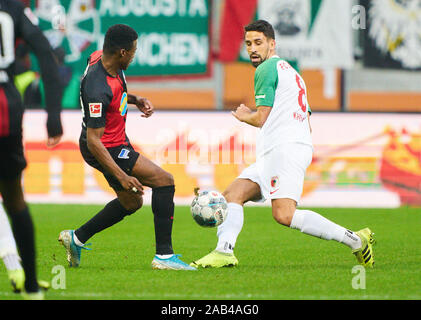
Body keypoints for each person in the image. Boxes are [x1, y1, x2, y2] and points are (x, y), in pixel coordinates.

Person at [191, 20, 375, 269]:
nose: (253, 49)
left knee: (284, 214)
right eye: (248, 44)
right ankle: (224, 252)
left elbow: (260, 118)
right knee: (233, 194)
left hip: (285, 150)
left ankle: (356, 240)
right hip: (282, 150)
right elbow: (306, 119)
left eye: (258, 43)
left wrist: (244, 114)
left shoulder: (266, 69)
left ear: (272, 43)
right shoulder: (292, 72)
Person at [58, 24, 195, 271]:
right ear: (122, 52)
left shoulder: (102, 58)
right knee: (165, 181)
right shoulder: (97, 89)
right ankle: (164, 257)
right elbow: (93, 141)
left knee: (132, 203)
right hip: (106, 147)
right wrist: (122, 176)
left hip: (115, 139)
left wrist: (134, 99)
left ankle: (76, 238)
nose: (134, 55)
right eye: (132, 51)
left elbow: (115, 94)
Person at [0, 0, 63, 299]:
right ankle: (31, 286)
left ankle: (16, 268)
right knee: (14, 197)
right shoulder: (14, 8)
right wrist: (53, 115)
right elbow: (46, 57)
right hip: (5, 105)